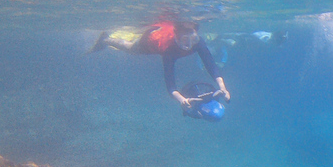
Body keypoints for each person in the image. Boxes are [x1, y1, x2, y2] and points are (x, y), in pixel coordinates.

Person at [90, 20, 231, 110]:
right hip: (150, 41)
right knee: (131, 48)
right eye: (184, 40)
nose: (189, 44)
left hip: (164, 31)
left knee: (131, 47)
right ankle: (106, 39)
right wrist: (182, 100)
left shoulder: (198, 42)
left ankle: (106, 39)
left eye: (193, 38)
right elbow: (170, 83)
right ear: (177, 38)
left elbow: (210, 65)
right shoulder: (169, 50)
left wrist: (223, 88)